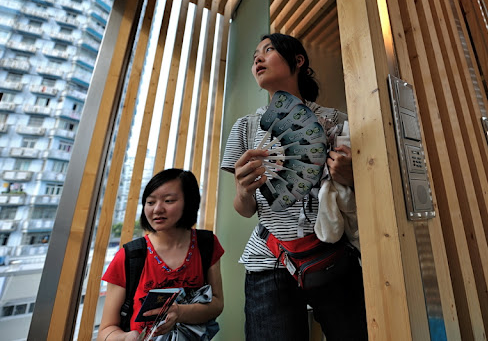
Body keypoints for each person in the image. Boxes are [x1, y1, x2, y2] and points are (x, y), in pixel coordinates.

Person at [221, 33, 367, 340]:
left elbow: (364, 193)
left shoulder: (335, 120)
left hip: (331, 254)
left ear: (298, 60)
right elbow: (245, 210)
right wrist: (244, 191)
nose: (257, 59)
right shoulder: (245, 127)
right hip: (268, 260)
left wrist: (350, 177)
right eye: (254, 56)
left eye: (268, 50)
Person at [98, 169, 224, 341]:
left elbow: (217, 304)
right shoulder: (130, 256)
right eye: (150, 202)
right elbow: (106, 330)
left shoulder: (207, 244)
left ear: (190, 202)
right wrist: (127, 338)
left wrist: (179, 312)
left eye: (168, 200)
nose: (157, 209)